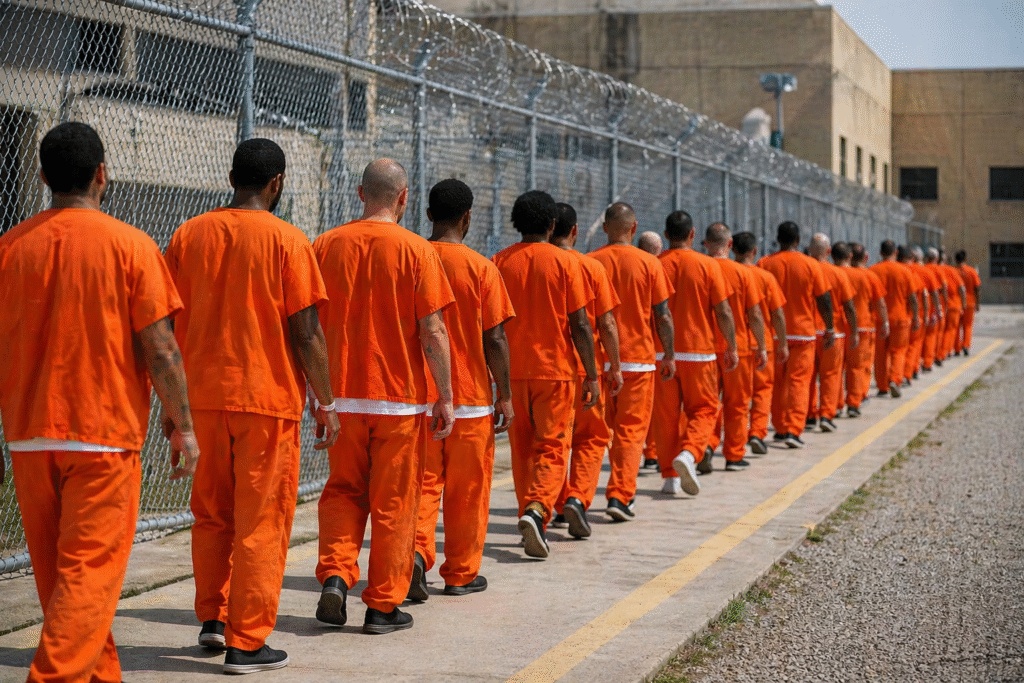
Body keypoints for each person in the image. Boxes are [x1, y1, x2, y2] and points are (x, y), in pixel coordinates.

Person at [0, 122, 198, 683]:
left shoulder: (10, 248)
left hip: (29, 435)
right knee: (87, 577)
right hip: (103, 434)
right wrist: (184, 426)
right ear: (102, 174)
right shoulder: (132, 246)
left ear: (42, 177)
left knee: (65, 586)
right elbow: (160, 348)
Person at [166, 138, 340, 672]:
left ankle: (213, 620)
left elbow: (164, 321)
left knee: (211, 514)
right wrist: (326, 402)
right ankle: (248, 640)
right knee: (261, 520)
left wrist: (172, 410)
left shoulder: (187, 235)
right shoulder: (289, 240)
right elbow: (306, 331)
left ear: (230, 177)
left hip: (201, 397)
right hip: (266, 398)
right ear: (277, 184)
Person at [314, 159, 456, 634]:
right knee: (395, 501)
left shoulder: (326, 245)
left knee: (342, 492)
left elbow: (307, 325)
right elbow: (432, 330)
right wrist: (446, 395)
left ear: (359, 194)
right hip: (398, 400)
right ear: (403, 197)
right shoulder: (417, 250)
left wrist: (317, 394)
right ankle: (382, 604)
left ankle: (335, 574)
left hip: (342, 396)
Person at [410, 179, 515, 599]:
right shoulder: (481, 267)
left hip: (419, 396)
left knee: (423, 485)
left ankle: (415, 556)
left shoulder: (412, 256)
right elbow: (495, 338)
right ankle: (461, 573)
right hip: (469, 400)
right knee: (468, 490)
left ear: (429, 214)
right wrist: (503, 394)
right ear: (468, 217)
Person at [493, 190, 598, 559]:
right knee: (553, 445)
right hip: (555, 370)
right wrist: (593, 374)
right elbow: (581, 325)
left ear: (516, 224)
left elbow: (492, 325)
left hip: (513, 371)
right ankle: (538, 509)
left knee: (521, 449)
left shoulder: (499, 262)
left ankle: (530, 511)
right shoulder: (565, 263)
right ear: (553, 225)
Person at [590, 203, 674, 517]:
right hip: (638, 360)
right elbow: (662, 316)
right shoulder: (650, 264)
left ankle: (573, 498)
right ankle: (620, 495)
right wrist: (668, 353)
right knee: (631, 430)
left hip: (599, 361)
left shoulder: (590, 262)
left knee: (595, 433)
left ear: (604, 228)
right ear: (634, 228)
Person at [547, 202, 623, 534]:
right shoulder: (590, 267)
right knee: (591, 437)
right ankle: (578, 498)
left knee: (551, 442)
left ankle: (556, 502)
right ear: (575, 231)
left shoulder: (533, 263)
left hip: (546, 368)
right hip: (584, 365)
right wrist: (613, 365)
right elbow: (605, 323)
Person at [653, 211, 736, 496]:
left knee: (666, 417)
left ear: (666, 236)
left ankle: (669, 478)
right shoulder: (707, 265)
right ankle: (689, 454)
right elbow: (723, 310)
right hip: (699, 352)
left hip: (661, 353)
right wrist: (732, 346)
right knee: (704, 409)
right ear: (692, 235)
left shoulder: (655, 265)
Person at [759, 221, 833, 448]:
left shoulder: (765, 263)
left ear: (777, 239)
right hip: (803, 333)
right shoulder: (811, 265)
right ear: (798, 241)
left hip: (773, 333)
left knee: (777, 381)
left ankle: (780, 427)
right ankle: (793, 429)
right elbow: (823, 299)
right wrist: (829, 326)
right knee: (799, 381)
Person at [703, 223, 767, 470]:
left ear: (705, 243)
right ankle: (734, 454)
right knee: (737, 403)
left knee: (707, 404)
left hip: (706, 348)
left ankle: (706, 445)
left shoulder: (701, 267)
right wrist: (761, 345)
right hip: (738, 347)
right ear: (729, 244)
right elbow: (755, 314)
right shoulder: (743, 273)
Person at [732, 232, 788, 453]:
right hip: (761, 342)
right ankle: (757, 432)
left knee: (733, 397)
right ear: (754, 251)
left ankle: (717, 441)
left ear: (733, 248)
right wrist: (781, 342)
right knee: (762, 390)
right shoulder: (765, 278)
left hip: (733, 342)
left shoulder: (725, 272)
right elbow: (777, 314)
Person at [805, 233, 857, 433]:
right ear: (828, 251)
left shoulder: (806, 269)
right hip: (833, 331)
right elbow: (849, 306)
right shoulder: (838, 273)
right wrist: (853, 330)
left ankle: (808, 413)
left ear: (810, 250)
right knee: (831, 375)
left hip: (809, 331)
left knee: (808, 376)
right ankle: (826, 414)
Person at [838, 243, 887, 417]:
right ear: (865, 258)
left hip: (838, 325)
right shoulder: (869, 276)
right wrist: (885, 322)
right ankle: (854, 401)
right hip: (862, 326)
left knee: (837, 368)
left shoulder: (838, 273)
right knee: (858, 367)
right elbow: (879, 302)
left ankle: (835, 404)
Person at [871, 240, 919, 398]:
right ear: (896, 253)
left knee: (880, 354)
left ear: (880, 252)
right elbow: (912, 298)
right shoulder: (905, 271)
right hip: (900, 318)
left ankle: (882, 386)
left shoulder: (873, 271)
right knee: (898, 351)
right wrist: (916, 316)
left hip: (878, 318)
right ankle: (895, 379)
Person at [636, 229, 665, 470]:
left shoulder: (597, 261)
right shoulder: (654, 267)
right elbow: (663, 315)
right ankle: (655, 453)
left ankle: (651, 452)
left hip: (616, 352)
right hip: (649, 350)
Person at [913, 247, 943, 374]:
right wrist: (939, 308)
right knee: (929, 337)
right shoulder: (931, 272)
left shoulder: (908, 270)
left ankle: (914, 365)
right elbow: (936, 292)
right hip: (927, 309)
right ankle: (927, 362)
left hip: (909, 310)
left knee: (912, 342)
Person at [938, 249, 967, 359]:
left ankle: (938, 352)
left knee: (939, 331)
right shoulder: (952, 270)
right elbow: (962, 288)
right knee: (951, 330)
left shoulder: (933, 269)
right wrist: (963, 303)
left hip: (938, 304)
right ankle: (946, 351)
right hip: (953, 304)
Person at [924, 247, 948, 368]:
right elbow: (943, 287)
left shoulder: (922, 269)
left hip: (923, 304)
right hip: (936, 303)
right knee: (934, 334)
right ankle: (934, 358)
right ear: (936, 258)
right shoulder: (939, 270)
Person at [955, 250, 982, 355]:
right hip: (970, 302)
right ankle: (966, 345)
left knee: (957, 326)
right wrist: (978, 303)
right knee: (968, 325)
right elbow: (977, 288)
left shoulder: (953, 271)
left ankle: (957, 348)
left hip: (957, 302)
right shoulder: (971, 271)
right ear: (965, 259)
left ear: (955, 260)